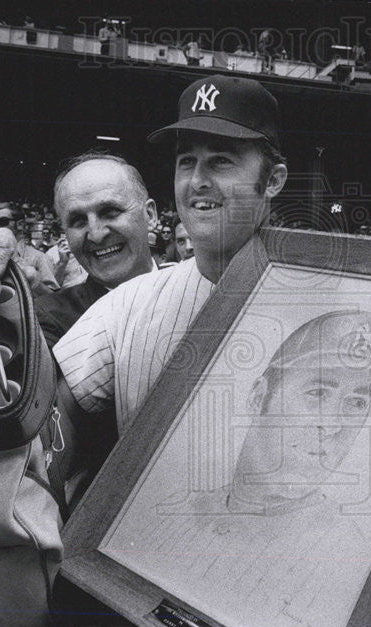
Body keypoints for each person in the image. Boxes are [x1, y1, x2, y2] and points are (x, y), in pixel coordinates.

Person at [111, 310, 371, 627]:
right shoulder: (174, 512)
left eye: (357, 402)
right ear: (259, 396)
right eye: (318, 392)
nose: (334, 425)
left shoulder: (348, 561)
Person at [54, 74, 287, 429]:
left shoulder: (327, 303)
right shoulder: (125, 305)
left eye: (221, 160)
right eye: (186, 161)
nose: (197, 181)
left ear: (272, 180)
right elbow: (52, 423)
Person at [35, 152, 158, 348]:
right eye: (78, 220)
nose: (96, 234)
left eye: (110, 212)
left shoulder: (199, 293)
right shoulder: (47, 320)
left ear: (150, 215)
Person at [0, 206, 59, 296]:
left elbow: (52, 296)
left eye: (3, 222)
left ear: (20, 224)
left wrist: (34, 282)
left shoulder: (38, 257)